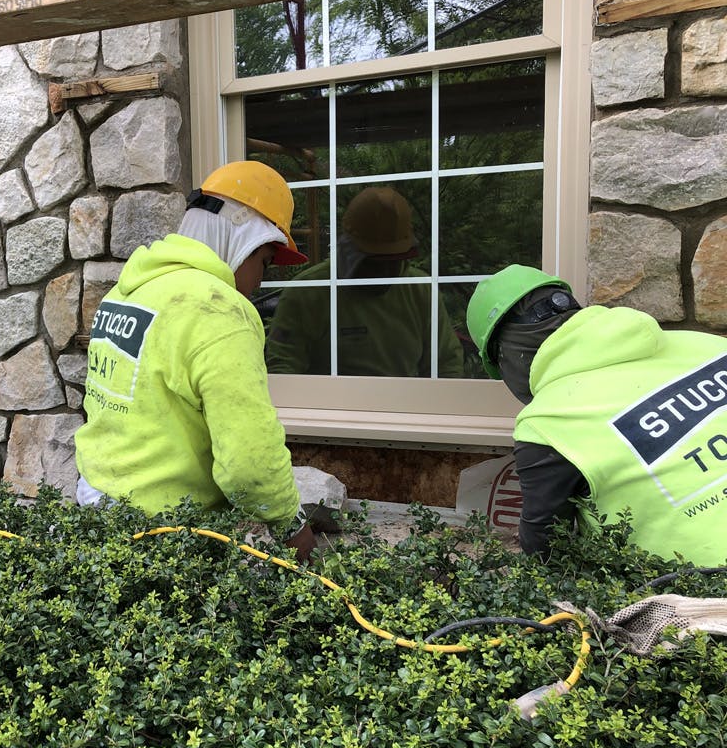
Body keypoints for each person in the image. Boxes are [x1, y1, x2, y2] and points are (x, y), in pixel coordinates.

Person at [73, 160, 318, 560]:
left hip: (94, 503)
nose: (258, 282)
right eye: (264, 263)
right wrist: (291, 524)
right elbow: (248, 463)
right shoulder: (219, 310)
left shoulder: (128, 291)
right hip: (162, 534)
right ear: (247, 239)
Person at [466, 264, 727, 565]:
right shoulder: (709, 345)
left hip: (705, 593)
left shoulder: (550, 420)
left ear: (507, 355)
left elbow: (547, 551)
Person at [266, 186, 466, 377]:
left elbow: (446, 364)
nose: (385, 272)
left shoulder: (421, 290)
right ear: (349, 251)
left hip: (408, 408)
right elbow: (283, 368)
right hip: (328, 408)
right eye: (375, 262)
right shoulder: (308, 293)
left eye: (394, 261)